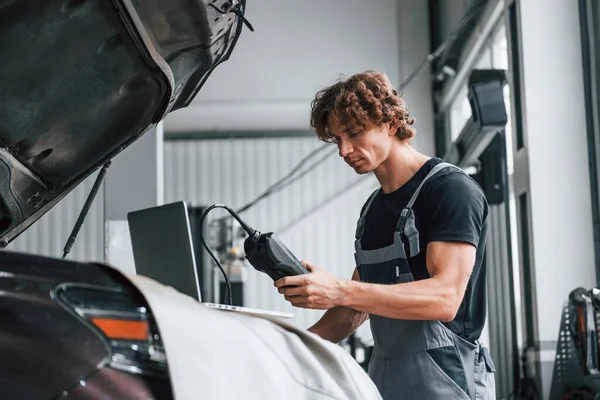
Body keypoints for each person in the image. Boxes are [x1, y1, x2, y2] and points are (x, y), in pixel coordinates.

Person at [274, 70, 496, 399]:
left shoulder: (450, 191)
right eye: (337, 139)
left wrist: (339, 289)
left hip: (449, 380)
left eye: (353, 132)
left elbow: (445, 298)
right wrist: (286, 349)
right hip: (385, 382)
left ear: (390, 123)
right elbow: (352, 311)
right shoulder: (372, 212)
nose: (343, 150)